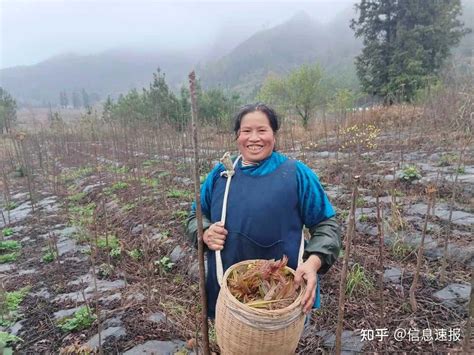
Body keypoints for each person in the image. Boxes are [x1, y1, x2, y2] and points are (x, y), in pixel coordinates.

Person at [186, 103, 341, 318]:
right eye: (246, 131)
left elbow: (326, 225)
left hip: (283, 293)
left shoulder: (296, 174)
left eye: (262, 130)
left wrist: (313, 263)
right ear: (237, 136)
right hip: (230, 292)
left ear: (274, 135)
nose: (254, 138)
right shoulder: (220, 175)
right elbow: (196, 216)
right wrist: (204, 232)